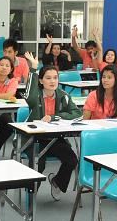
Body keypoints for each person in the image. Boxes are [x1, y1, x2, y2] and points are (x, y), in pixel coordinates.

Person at [24, 52, 81, 201]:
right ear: (41, 80)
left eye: (55, 78)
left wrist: (54, 117)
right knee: (39, 164)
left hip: (55, 138)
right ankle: (31, 196)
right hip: (34, 139)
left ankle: (57, 182)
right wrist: (33, 69)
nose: (52, 81)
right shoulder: (36, 96)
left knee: (72, 159)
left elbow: (77, 113)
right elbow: (28, 95)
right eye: (48, 78)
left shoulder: (63, 95)